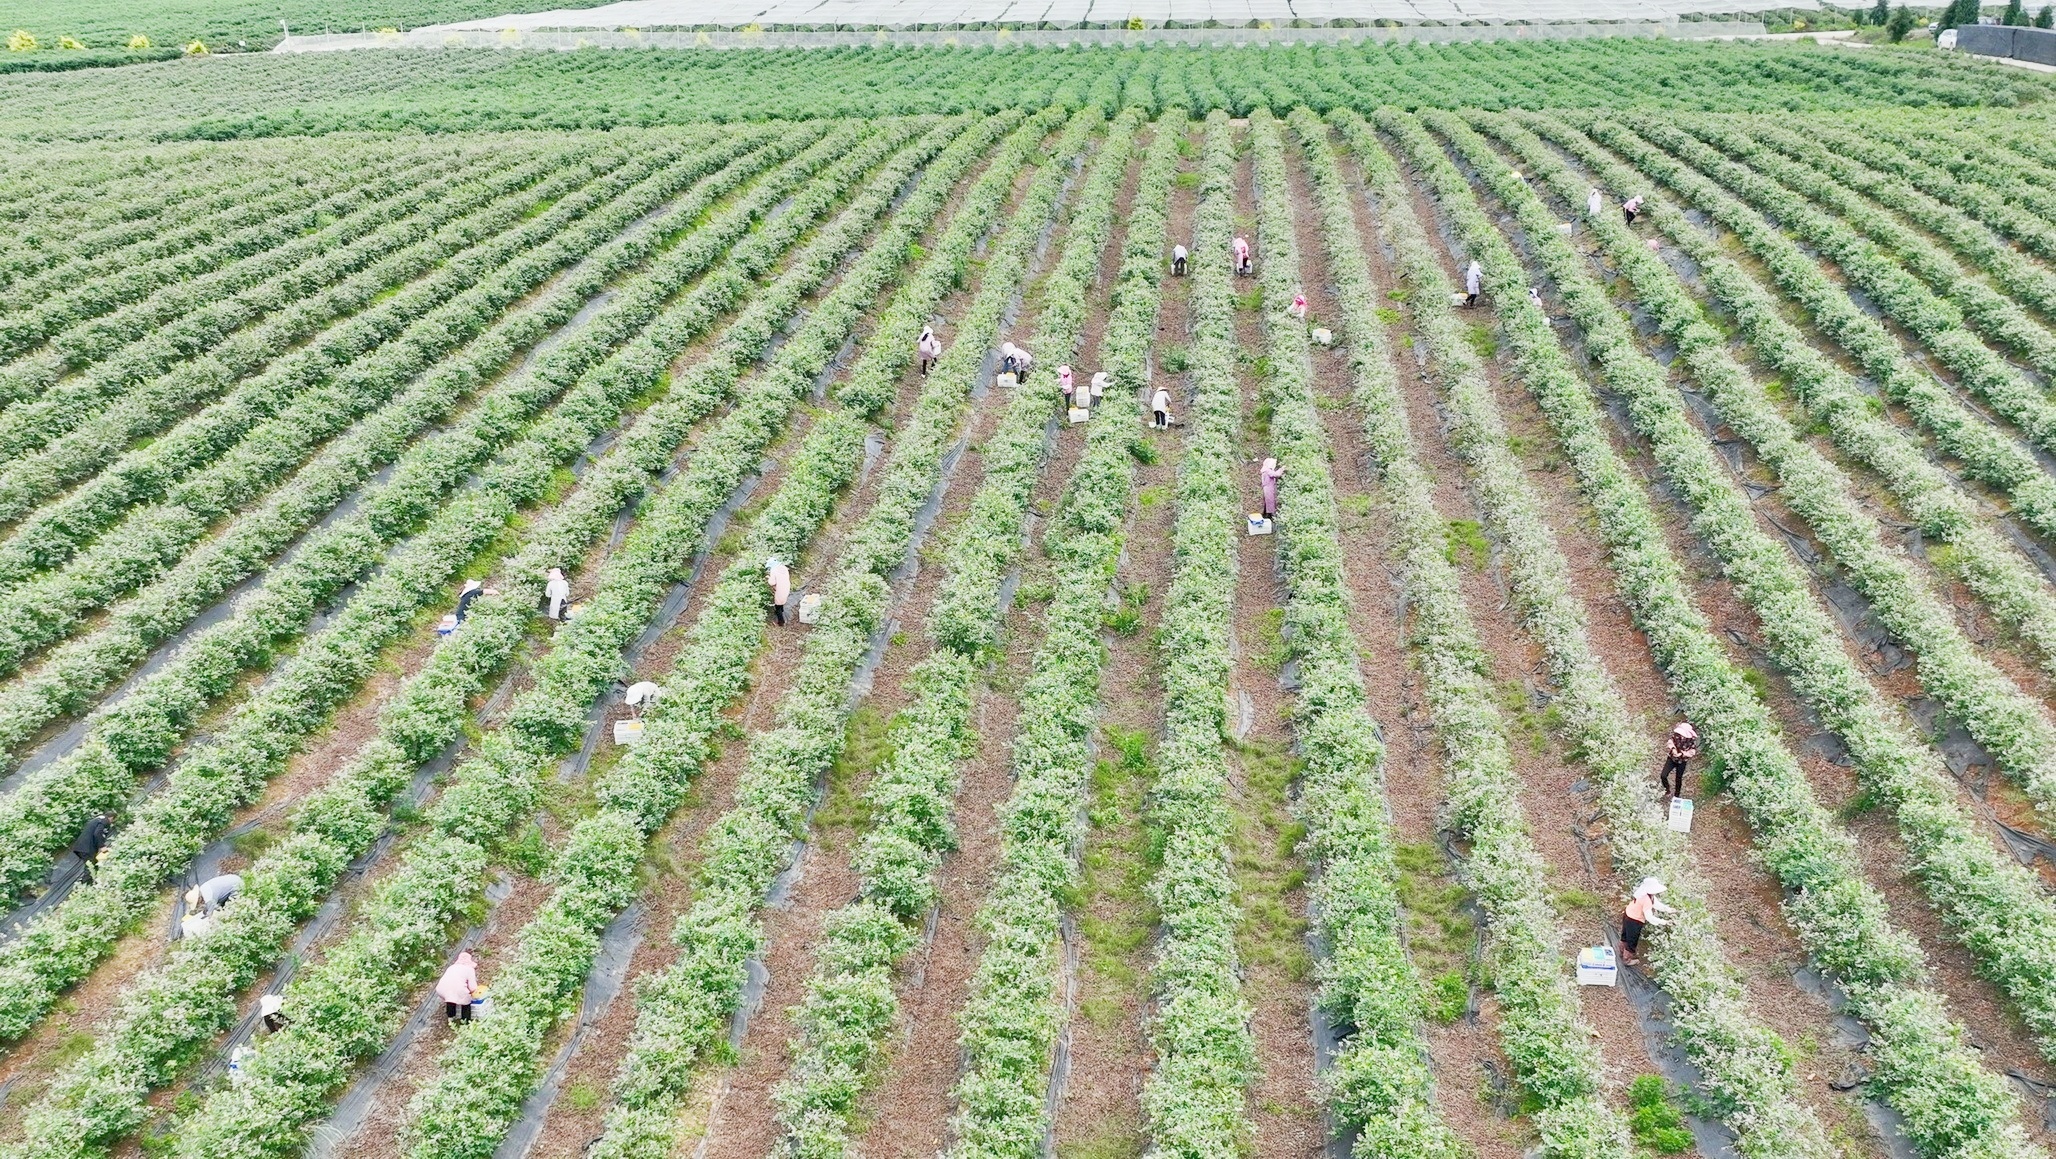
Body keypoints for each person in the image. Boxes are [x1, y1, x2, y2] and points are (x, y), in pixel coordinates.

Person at [1619, 877, 1674, 966]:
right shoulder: (1646, 900)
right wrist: (1664, 922)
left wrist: (1668, 909)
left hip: (1628, 914)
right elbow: (1649, 917)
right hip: (1634, 920)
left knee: (1625, 936)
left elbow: (1656, 904)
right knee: (1632, 940)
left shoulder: (1644, 893)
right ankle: (1627, 959)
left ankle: (1621, 951)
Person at [437, 950, 480, 1027]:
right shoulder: (469, 969)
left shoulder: (451, 967)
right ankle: (465, 1022)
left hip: (441, 989)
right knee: (466, 1001)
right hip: (457, 989)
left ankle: (451, 1017)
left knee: (450, 998)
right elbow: (473, 988)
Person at [1661, 721, 1698, 801]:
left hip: (1682, 761)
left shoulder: (1691, 741)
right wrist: (1673, 749)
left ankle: (1676, 795)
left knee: (1678, 778)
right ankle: (1667, 790)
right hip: (1672, 759)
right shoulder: (1676, 736)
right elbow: (1670, 742)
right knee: (1663, 775)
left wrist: (1682, 754)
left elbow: (1692, 752)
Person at [71, 813, 111, 884]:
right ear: (111, 818)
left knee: (93, 864)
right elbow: (97, 833)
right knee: (90, 866)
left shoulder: (96, 819)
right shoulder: (105, 820)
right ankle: (85, 884)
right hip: (87, 848)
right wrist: (102, 846)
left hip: (81, 846)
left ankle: (92, 882)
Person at [765, 557, 791, 626]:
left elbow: (771, 582)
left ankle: (781, 622)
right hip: (786, 587)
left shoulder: (774, 570)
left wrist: (768, 578)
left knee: (778, 605)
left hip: (780, 589)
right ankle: (782, 610)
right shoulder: (784, 568)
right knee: (782, 601)